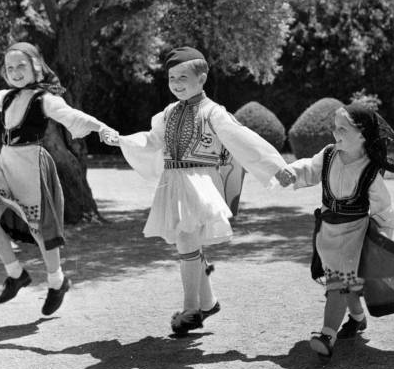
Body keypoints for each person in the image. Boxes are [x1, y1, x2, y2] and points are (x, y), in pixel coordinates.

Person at [102, 46, 293, 336]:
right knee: (188, 241)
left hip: (199, 182)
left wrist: (275, 166)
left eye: (183, 77)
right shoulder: (166, 114)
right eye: (171, 77)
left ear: (202, 79)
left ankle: (191, 309)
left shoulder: (214, 112)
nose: (176, 83)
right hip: (172, 183)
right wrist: (122, 141)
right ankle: (209, 301)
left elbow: (243, 140)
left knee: (186, 238)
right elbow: (152, 141)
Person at [0, 42, 114, 315]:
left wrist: (101, 127)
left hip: (31, 166)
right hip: (6, 164)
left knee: (41, 231)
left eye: (21, 66)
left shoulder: (45, 99)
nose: (15, 72)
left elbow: (72, 116)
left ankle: (57, 281)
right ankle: (16, 274)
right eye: (10, 67)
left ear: (36, 67)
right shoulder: (8, 97)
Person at [278, 102, 394, 361]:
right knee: (345, 286)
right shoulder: (327, 155)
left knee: (339, 285)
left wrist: (380, 244)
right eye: (335, 128)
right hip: (328, 233)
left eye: (343, 129)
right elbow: (309, 169)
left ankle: (327, 335)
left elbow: (383, 210)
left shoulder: (370, 170)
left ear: (362, 134)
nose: (336, 134)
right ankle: (358, 318)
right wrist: (292, 173)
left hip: (355, 237)